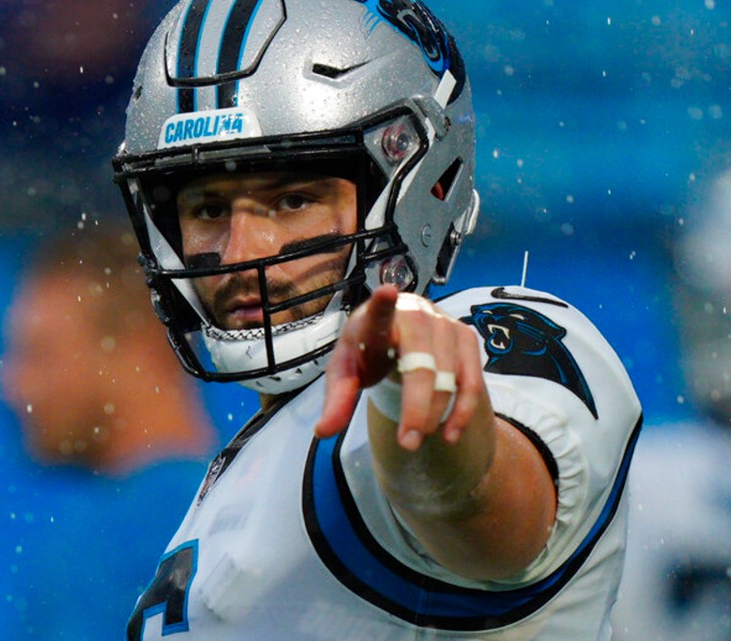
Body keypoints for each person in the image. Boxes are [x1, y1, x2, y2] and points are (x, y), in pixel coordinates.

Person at [112, 1, 642, 639]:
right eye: (207, 208)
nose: (239, 252)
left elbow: (487, 513)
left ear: (416, 183)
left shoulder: (473, 342)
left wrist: (430, 421)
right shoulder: (262, 454)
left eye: (292, 199)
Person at [0, 225, 217, 640]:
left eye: (39, 353)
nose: (11, 385)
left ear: (140, 350)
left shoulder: (95, 550)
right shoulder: (252, 509)